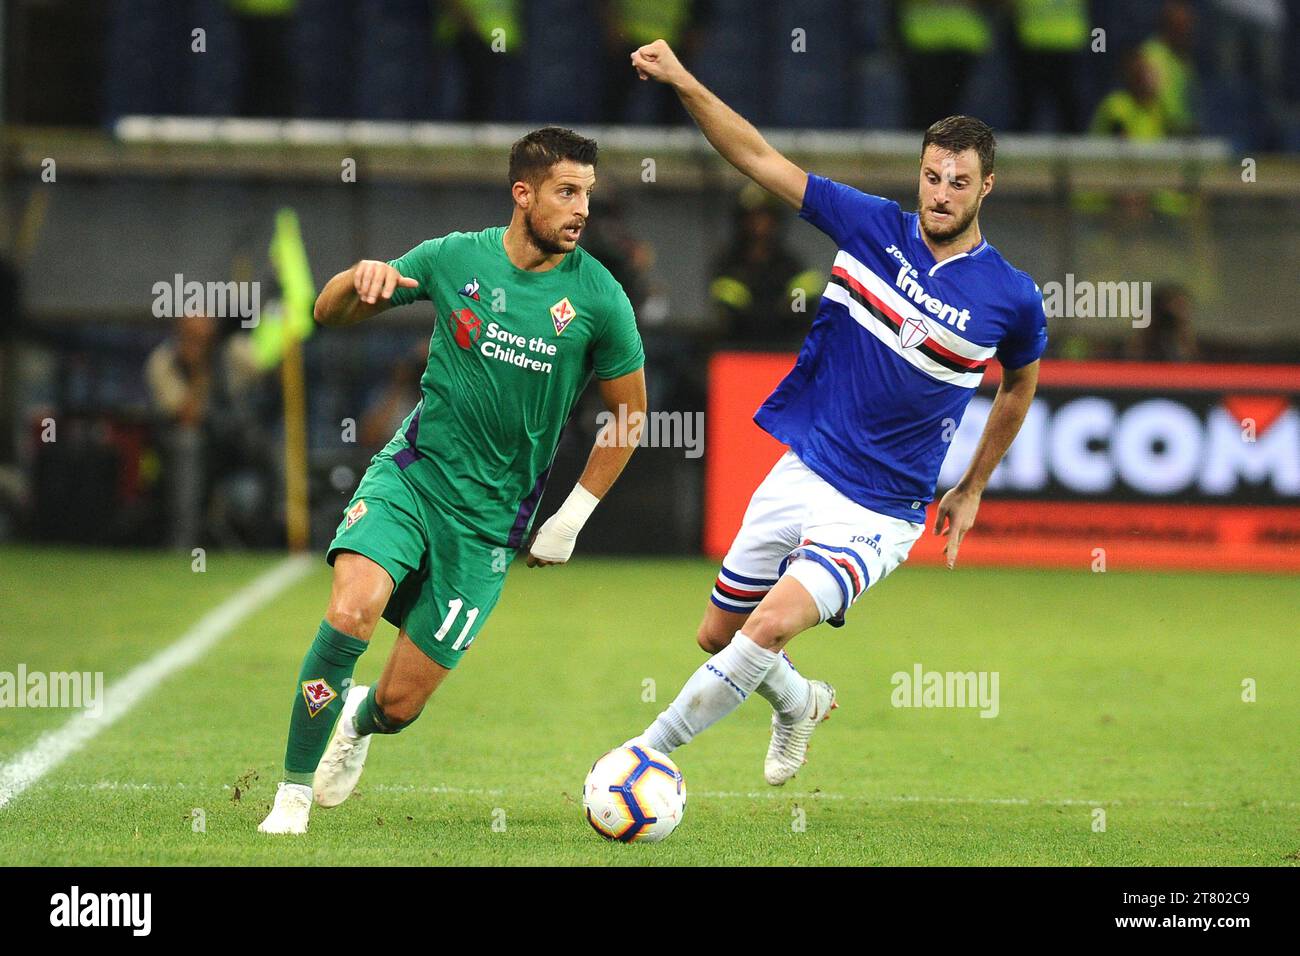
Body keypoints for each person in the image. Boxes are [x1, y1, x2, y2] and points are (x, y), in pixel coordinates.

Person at [620, 41, 1046, 785]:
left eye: (959, 182)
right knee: (717, 634)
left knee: (768, 625)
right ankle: (801, 702)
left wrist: (972, 484)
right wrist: (686, 79)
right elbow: (756, 158)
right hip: (805, 467)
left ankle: (644, 754)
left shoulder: (1010, 296)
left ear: (987, 188)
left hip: (881, 509)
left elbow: (1018, 385)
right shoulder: (869, 225)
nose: (941, 193)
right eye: (932, 176)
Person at [258, 127, 648, 834]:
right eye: (567, 192)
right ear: (522, 194)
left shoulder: (601, 298)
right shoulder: (453, 257)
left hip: (490, 525)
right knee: (352, 611)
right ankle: (290, 797)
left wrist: (569, 519)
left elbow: (632, 417)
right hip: (413, 478)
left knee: (401, 706)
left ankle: (358, 719)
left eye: (586, 193)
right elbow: (329, 313)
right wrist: (359, 276)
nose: (581, 208)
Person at [709, 183, 821, 351]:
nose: (758, 225)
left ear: (776, 221)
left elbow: (800, 313)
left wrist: (784, 312)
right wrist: (775, 310)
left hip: (786, 353)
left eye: (765, 217)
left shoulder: (792, 267)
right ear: (740, 222)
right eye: (751, 218)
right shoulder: (727, 267)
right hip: (740, 353)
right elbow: (732, 317)